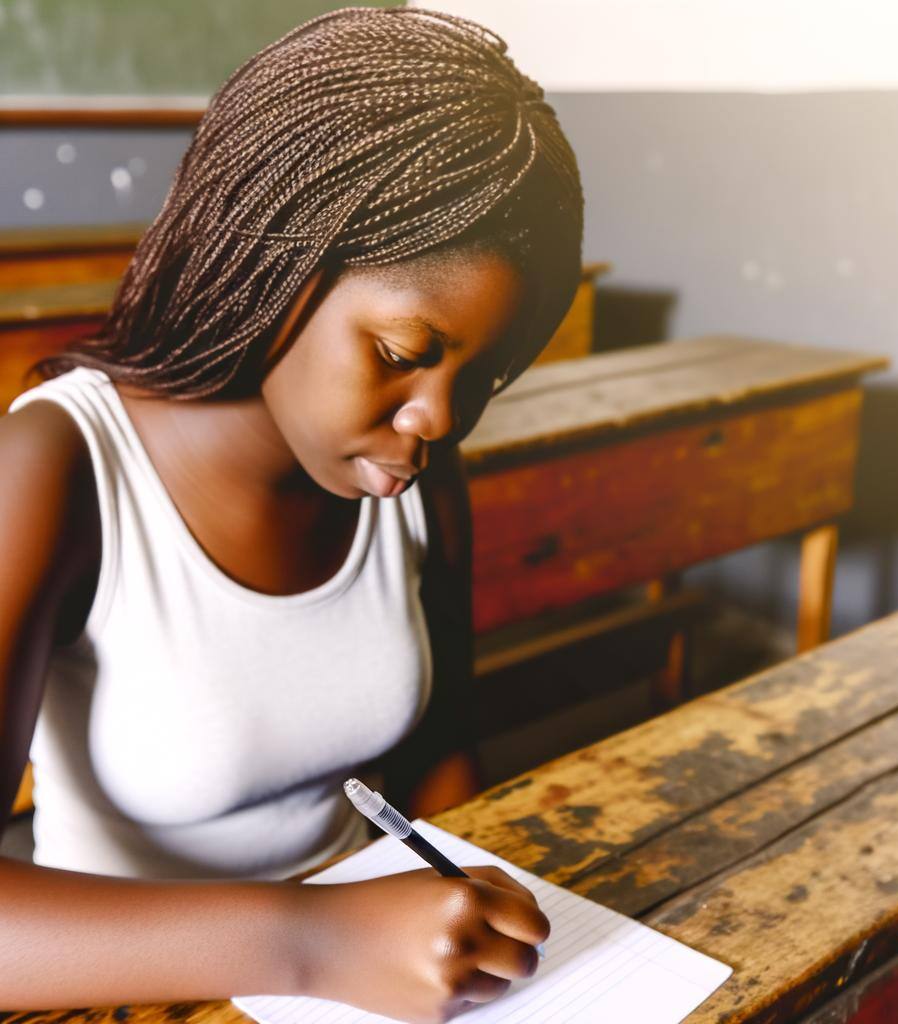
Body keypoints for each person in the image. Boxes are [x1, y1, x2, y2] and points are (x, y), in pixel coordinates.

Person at [0, 7, 583, 1020]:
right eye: (404, 354)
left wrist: (457, 906)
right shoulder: (55, 468)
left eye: (480, 374)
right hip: (127, 992)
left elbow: (442, 754)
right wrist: (312, 942)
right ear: (274, 274)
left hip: (369, 974)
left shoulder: (407, 466)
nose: (439, 415)